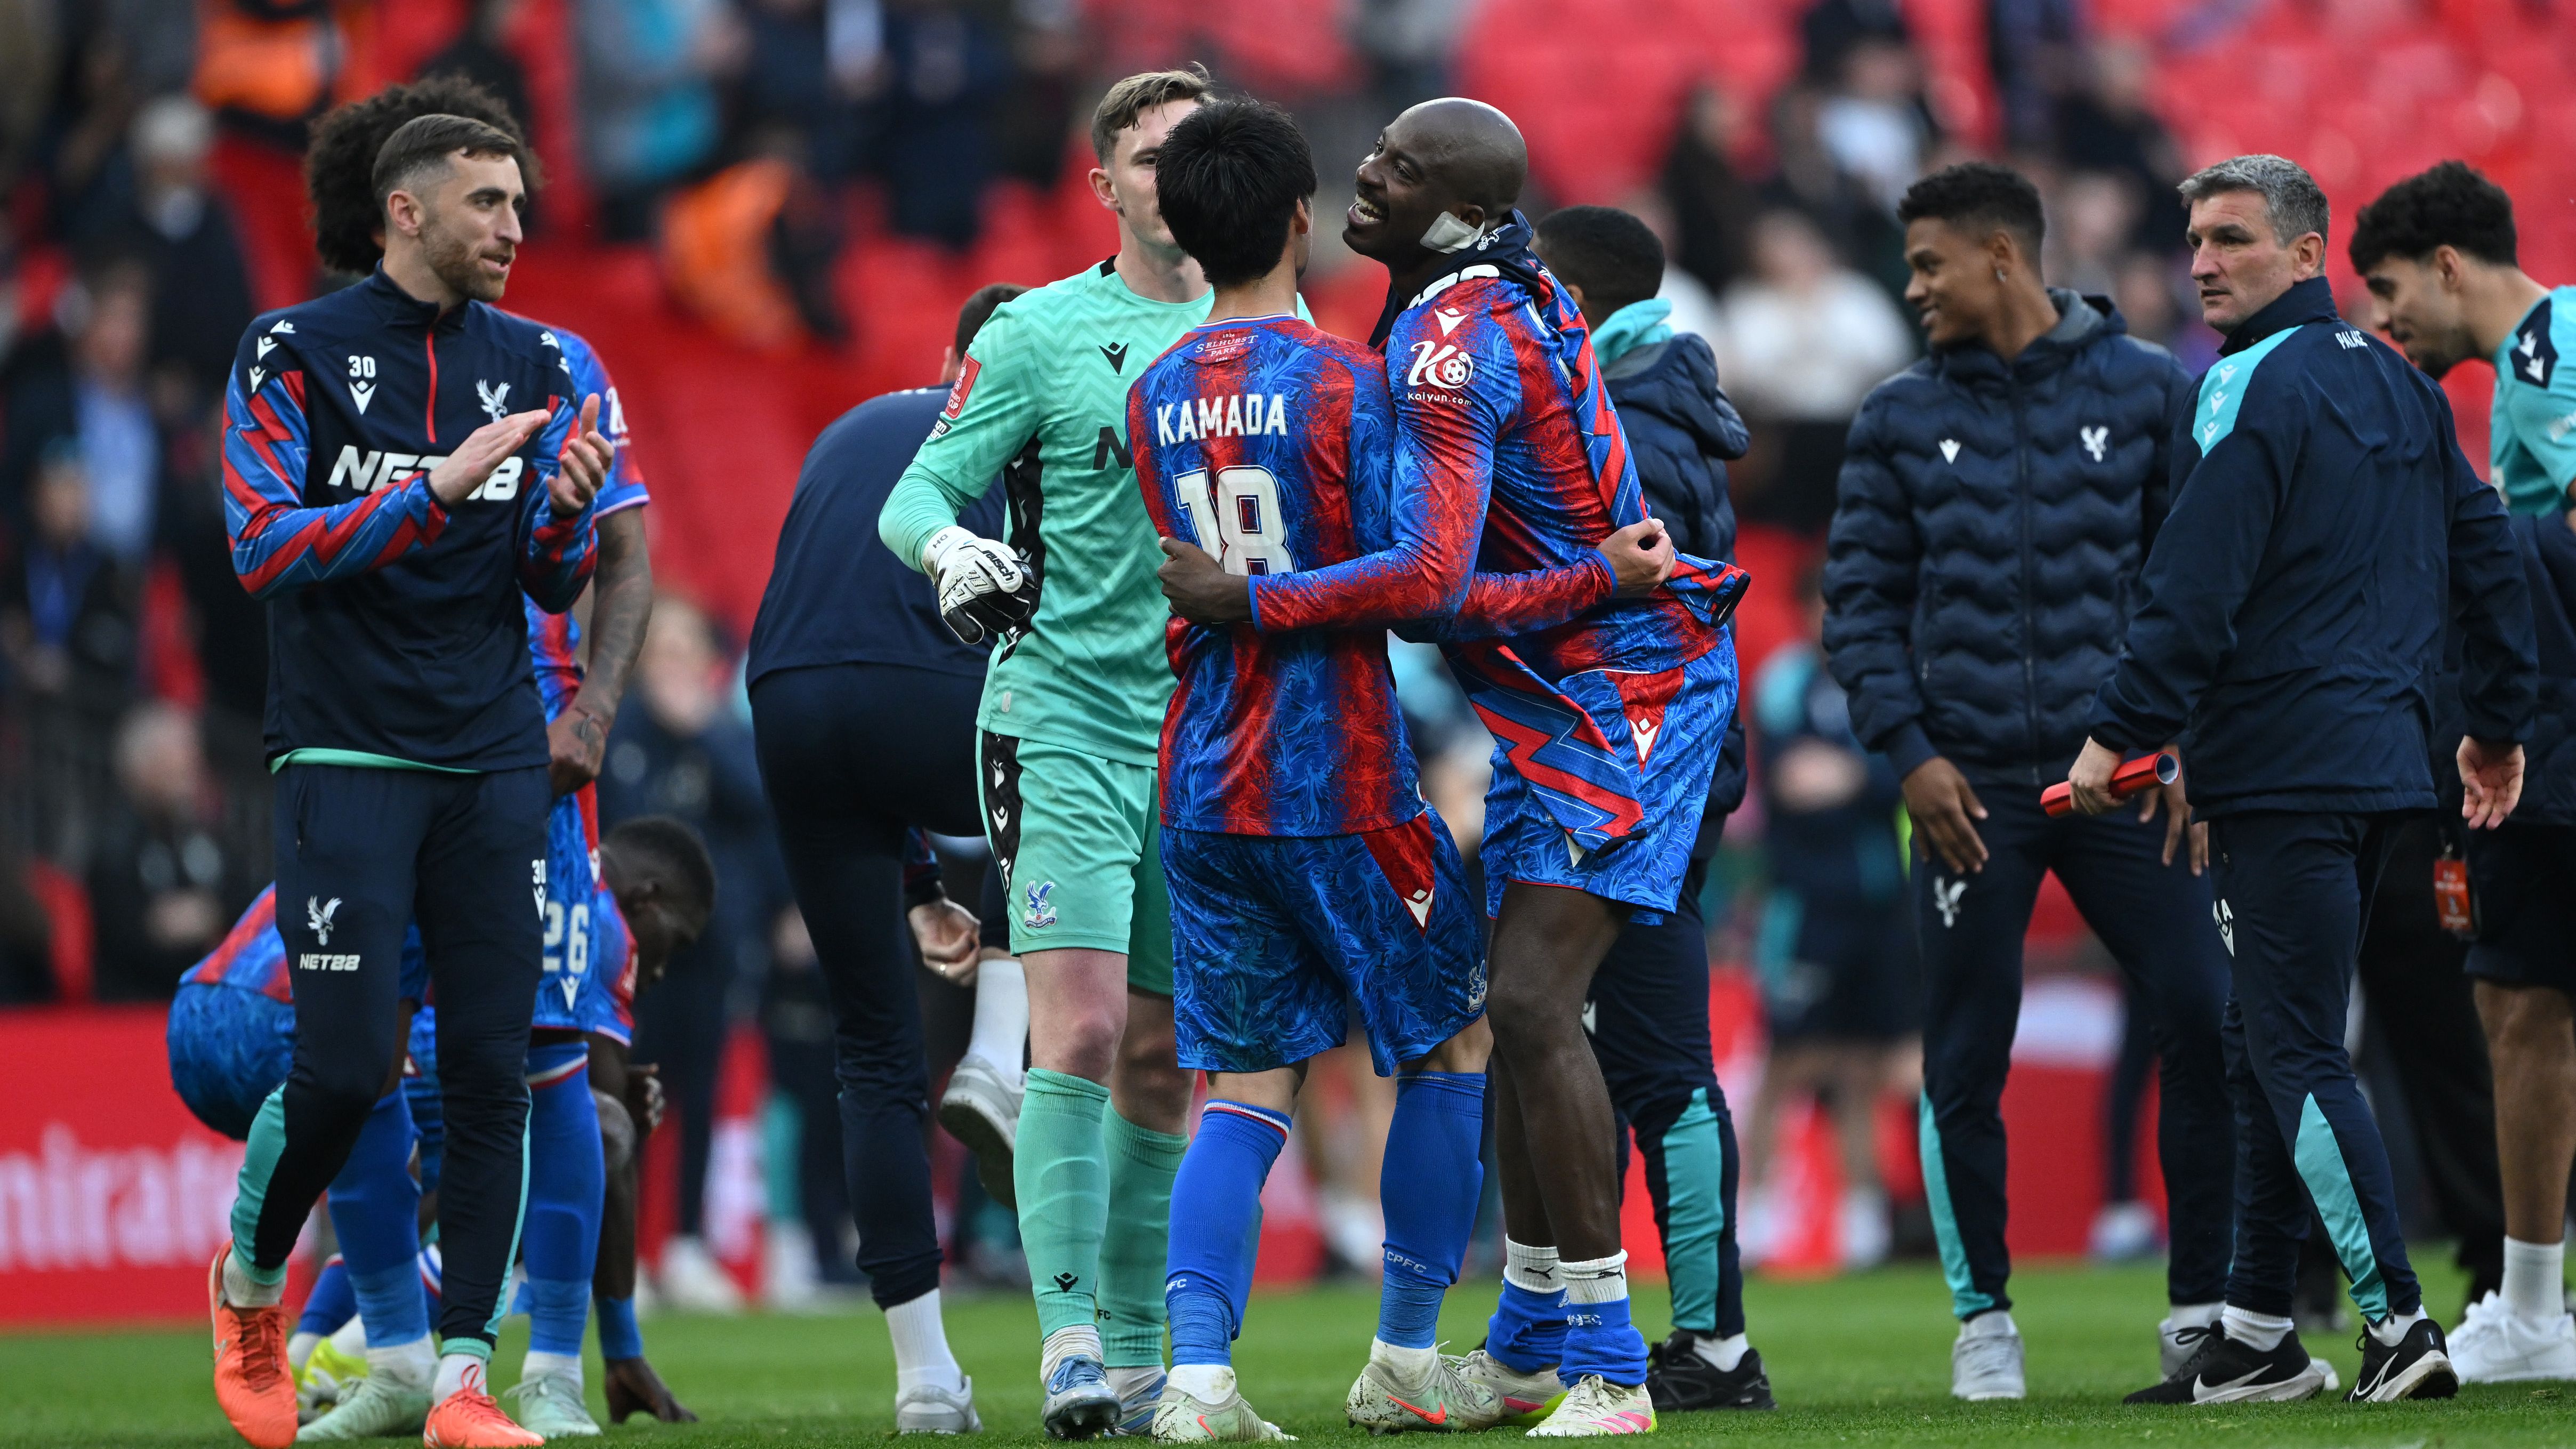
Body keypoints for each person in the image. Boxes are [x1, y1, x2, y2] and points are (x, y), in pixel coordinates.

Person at [1259, 95, 1742, 1436]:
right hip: (1557, 696)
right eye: (1378, 153)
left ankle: (1610, 1366)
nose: (1369, 175)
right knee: (1520, 1007)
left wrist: (1250, 600)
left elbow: (1423, 587)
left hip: (1621, 690)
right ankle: (1531, 1350)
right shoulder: (1490, 292)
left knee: (1530, 1005)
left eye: (1403, 169)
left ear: (1464, 212)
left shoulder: (1447, 343)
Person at [2071, 152, 2535, 1406]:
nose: (2204, 262)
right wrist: (2496, 721)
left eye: (2230, 239)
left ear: (2304, 249)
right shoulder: (2400, 386)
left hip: (2282, 767)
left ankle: (2394, 1324)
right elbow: (2486, 550)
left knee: (2289, 1046)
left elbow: (2195, 581)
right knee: (2258, 1041)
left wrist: (2117, 734)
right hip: (2386, 768)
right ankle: (2258, 1330)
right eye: (2194, 241)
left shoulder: (2239, 384)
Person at [208, 110, 610, 1449]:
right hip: (345, 755)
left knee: (492, 1076)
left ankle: (460, 1385)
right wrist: (434, 489)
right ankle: (252, 1281)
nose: (512, 226)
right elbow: (263, 546)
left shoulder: (539, 361)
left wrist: (558, 517)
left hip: (493, 755)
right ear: (406, 209)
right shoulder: (292, 351)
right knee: (339, 1070)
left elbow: (545, 578)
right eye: (487, 202)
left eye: (519, 203)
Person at [1819, 160, 2230, 1400]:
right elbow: (1858, 612)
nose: (1914, 286)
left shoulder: (2149, 391)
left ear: (2002, 257)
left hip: (2124, 778)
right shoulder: (1891, 415)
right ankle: (1982, 1319)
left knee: (2208, 1017)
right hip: (1967, 787)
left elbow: (2192, 588)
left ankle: (2204, 1309)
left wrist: (2187, 747)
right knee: (1961, 1051)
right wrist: (1912, 756)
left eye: (1930, 262)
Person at [1130, 98, 1504, 1442]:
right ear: (1301, 218)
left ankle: (1197, 1384)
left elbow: (1197, 574)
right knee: (1451, 1038)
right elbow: (1419, 583)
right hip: (1338, 775)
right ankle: (1407, 1353)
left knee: (1246, 1081)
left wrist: (1238, 595)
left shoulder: (1154, 388)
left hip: (1204, 780)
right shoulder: (1352, 380)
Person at [875, 67, 1217, 1438]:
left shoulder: (1272, 327)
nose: (1172, 173)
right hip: (1061, 714)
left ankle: (1138, 1354)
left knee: (1165, 1053)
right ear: (1105, 186)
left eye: (1196, 151)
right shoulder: (1037, 328)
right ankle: (1071, 1341)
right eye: (1149, 154)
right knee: (1074, 1027)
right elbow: (917, 486)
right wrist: (954, 545)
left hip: (1202, 735)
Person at [170, 809, 712, 1440]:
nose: (665, 967)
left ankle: (307, 1344)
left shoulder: (411, 796)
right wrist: (621, 1344)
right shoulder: (591, 907)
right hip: (295, 1016)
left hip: (200, 1013)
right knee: (563, 1130)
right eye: (675, 942)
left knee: (422, 1155)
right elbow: (597, 1118)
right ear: (648, 899)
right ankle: (362, 1348)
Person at [746, 281, 1031, 1431]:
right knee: (1083, 766)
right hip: (934, 700)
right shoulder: (1029, 431)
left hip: (787, 705)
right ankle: (1001, 1060)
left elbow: (840, 622)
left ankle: (923, 1380)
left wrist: (920, 880)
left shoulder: (852, 425)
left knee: (871, 1051)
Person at [1528, 203, 1773, 1413]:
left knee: (1659, 1064)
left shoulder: (1625, 423)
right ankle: (1680, 1332)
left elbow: (1633, 624)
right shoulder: (1655, 399)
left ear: (1571, 297)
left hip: (1643, 779)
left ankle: (1713, 1346)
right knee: (1631, 1054)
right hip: (1651, 772)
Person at [2352, 159, 2576, 1380]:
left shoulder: (2550, 357)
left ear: (2447, 266)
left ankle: (2535, 1307)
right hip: (2546, 725)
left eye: (2390, 292)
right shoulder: (2530, 374)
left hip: (2558, 728)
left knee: (2524, 998)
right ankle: (2532, 1306)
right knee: (2516, 996)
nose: (2386, 324)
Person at [1744, 563, 1915, 1276]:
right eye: (1824, 606)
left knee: (1861, 1064)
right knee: (1791, 1062)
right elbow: (1790, 780)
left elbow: (1896, 773)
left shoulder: (1882, 679)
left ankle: (1864, 1225)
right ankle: (1754, 1224)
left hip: (1880, 901)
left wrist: (1848, 775)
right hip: (1806, 901)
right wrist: (1859, 774)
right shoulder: (1784, 685)